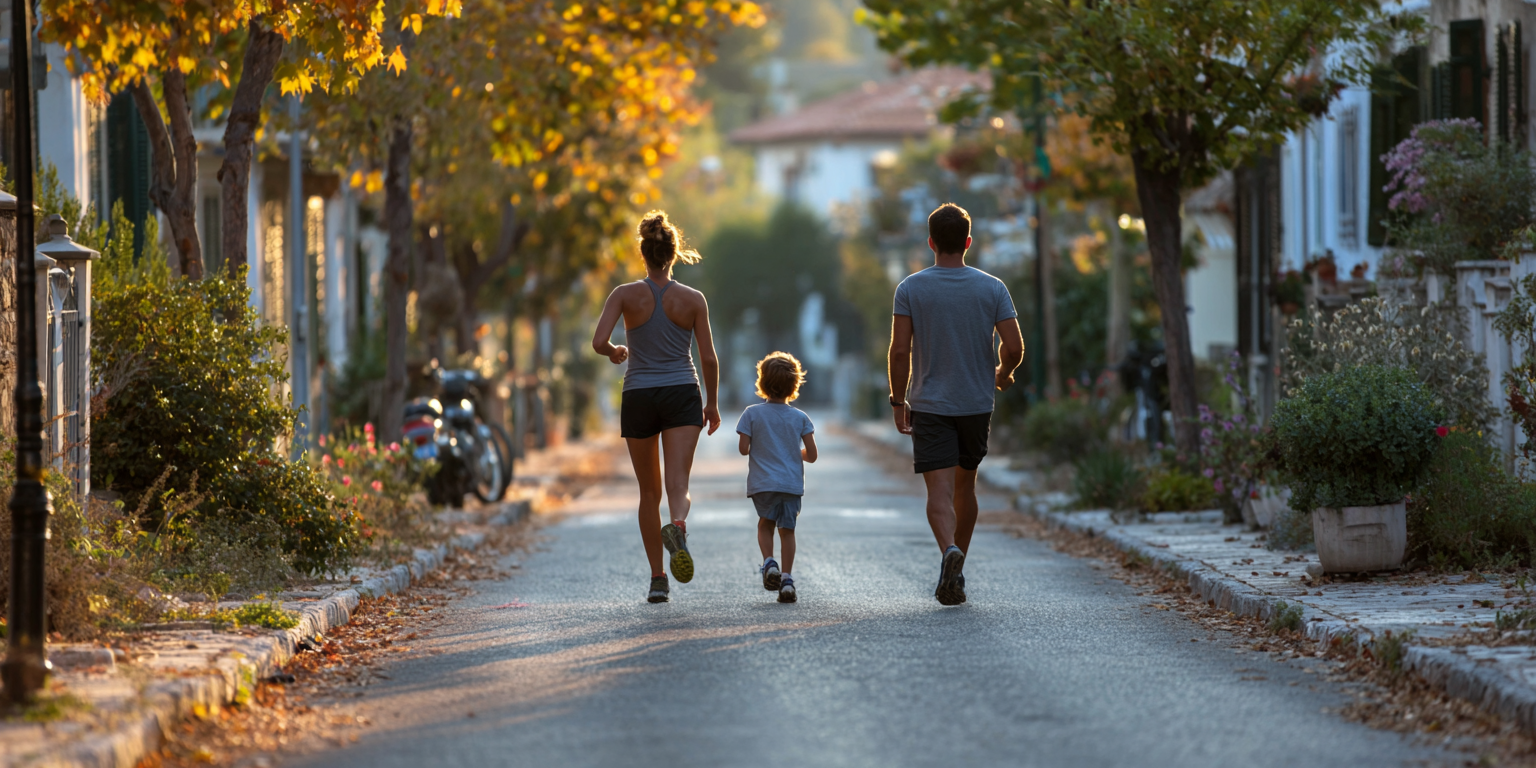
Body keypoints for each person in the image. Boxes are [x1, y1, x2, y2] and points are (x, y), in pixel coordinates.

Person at [888, 203, 1024, 606]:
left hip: (929, 404)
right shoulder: (993, 288)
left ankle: (948, 549)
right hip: (976, 404)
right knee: (966, 487)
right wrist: (1002, 372)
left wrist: (898, 401)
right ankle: (957, 567)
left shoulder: (910, 288)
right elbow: (1014, 346)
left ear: (931, 242)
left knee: (939, 491)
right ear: (968, 242)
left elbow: (899, 351)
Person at [592, 211, 721, 604]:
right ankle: (678, 525)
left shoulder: (624, 294)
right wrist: (712, 404)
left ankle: (657, 579)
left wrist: (615, 351)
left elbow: (598, 342)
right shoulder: (693, 299)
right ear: (674, 253)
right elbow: (708, 358)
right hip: (682, 391)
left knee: (648, 493)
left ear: (643, 253)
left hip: (640, 395)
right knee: (678, 484)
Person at [735, 352, 817, 604]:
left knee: (765, 524)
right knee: (788, 531)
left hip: (763, 484)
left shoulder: (751, 414)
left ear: (762, 382)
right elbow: (812, 455)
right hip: (791, 485)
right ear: (794, 385)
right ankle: (787, 580)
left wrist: (763, 447)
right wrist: (791, 452)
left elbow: (743, 449)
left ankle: (769, 563)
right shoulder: (801, 417)